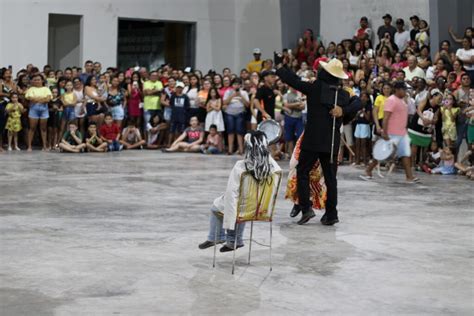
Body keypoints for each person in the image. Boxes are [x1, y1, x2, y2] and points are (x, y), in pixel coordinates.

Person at [276, 57, 361, 225]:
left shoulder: (315, 88)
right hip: (331, 142)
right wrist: (343, 110)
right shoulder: (344, 95)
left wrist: (280, 67)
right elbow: (358, 102)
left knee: (302, 171)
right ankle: (332, 214)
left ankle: (306, 208)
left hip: (313, 140)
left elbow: (293, 80)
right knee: (331, 179)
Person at [198, 131, 281, 251]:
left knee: (217, 205)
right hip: (262, 207)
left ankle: (217, 237)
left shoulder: (240, 166)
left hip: (243, 207)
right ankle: (234, 240)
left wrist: (229, 221)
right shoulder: (274, 168)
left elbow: (231, 194)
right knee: (242, 203)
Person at [360, 81, 418, 182]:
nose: (405, 92)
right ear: (398, 90)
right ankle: (368, 170)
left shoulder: (402, 101)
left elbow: (409, 113)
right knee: (381, 153)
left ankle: (409, 177)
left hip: (401, 133)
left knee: (405, 154)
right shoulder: (391, 100)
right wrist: (385, 132)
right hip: (392, 132)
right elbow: (386, 118)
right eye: (403, 90)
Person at [408, 89, 442, 168]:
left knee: (425, 145)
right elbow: (419, 110)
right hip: (417, 124)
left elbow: (436, 118)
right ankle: (412, 164)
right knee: (414, 144)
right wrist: (423, 118)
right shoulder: (425, 101)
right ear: (433, 97)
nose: (440, 100)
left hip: (427, 127)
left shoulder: (438, 107)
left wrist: (431, 121)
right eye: (439, 98)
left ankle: (422, 162)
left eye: (441, 99)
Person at [25, 74, 52, 151]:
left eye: (39, 79)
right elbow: (30, 98)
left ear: (42, 80)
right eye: (35, 80)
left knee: (43, 129)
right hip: (34, 109)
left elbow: (48, 99)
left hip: (44, 110)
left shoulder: (46, 89)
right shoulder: (31, 89)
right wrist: (42, 99)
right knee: (32, 128)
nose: (37, 81)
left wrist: (37, 99)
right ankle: (29, 146)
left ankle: (44, 146)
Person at [223, 78, 250, 155]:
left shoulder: (244, 93)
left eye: (238, 84)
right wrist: (232, 96)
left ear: (240, 85)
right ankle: (230, 150)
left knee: (240, 131)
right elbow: (224, 102)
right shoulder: (228, 92)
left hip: (240, 113)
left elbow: (247, 105)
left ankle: (241, 150)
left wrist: (241, 96)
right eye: (235, 84)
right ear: (232, 85)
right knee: (230, 131)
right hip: (229, 113)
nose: (236, 86)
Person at [282, 86, 304, 156]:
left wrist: (291, 105)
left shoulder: (299, 94)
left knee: (300, 136)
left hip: (299, 117)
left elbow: (303, 106)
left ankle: (298, 154)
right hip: (289, 117)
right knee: (289, 137)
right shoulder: (286, 95)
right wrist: (297, 104)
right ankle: (291, 153)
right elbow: (286, 105)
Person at [354, 91, 372, 165]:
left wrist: (363, 112)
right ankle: (357, 161)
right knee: (357, 143)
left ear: (368, 98)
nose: (363, 98)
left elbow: (368, 118)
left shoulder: (368, 106)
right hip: (358, 125)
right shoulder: (357, 105)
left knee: (363, 143)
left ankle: (365, 161)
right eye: (362, 96)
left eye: (365, 97)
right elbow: (355, 117)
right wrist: (358, 114)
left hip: (365, 125)